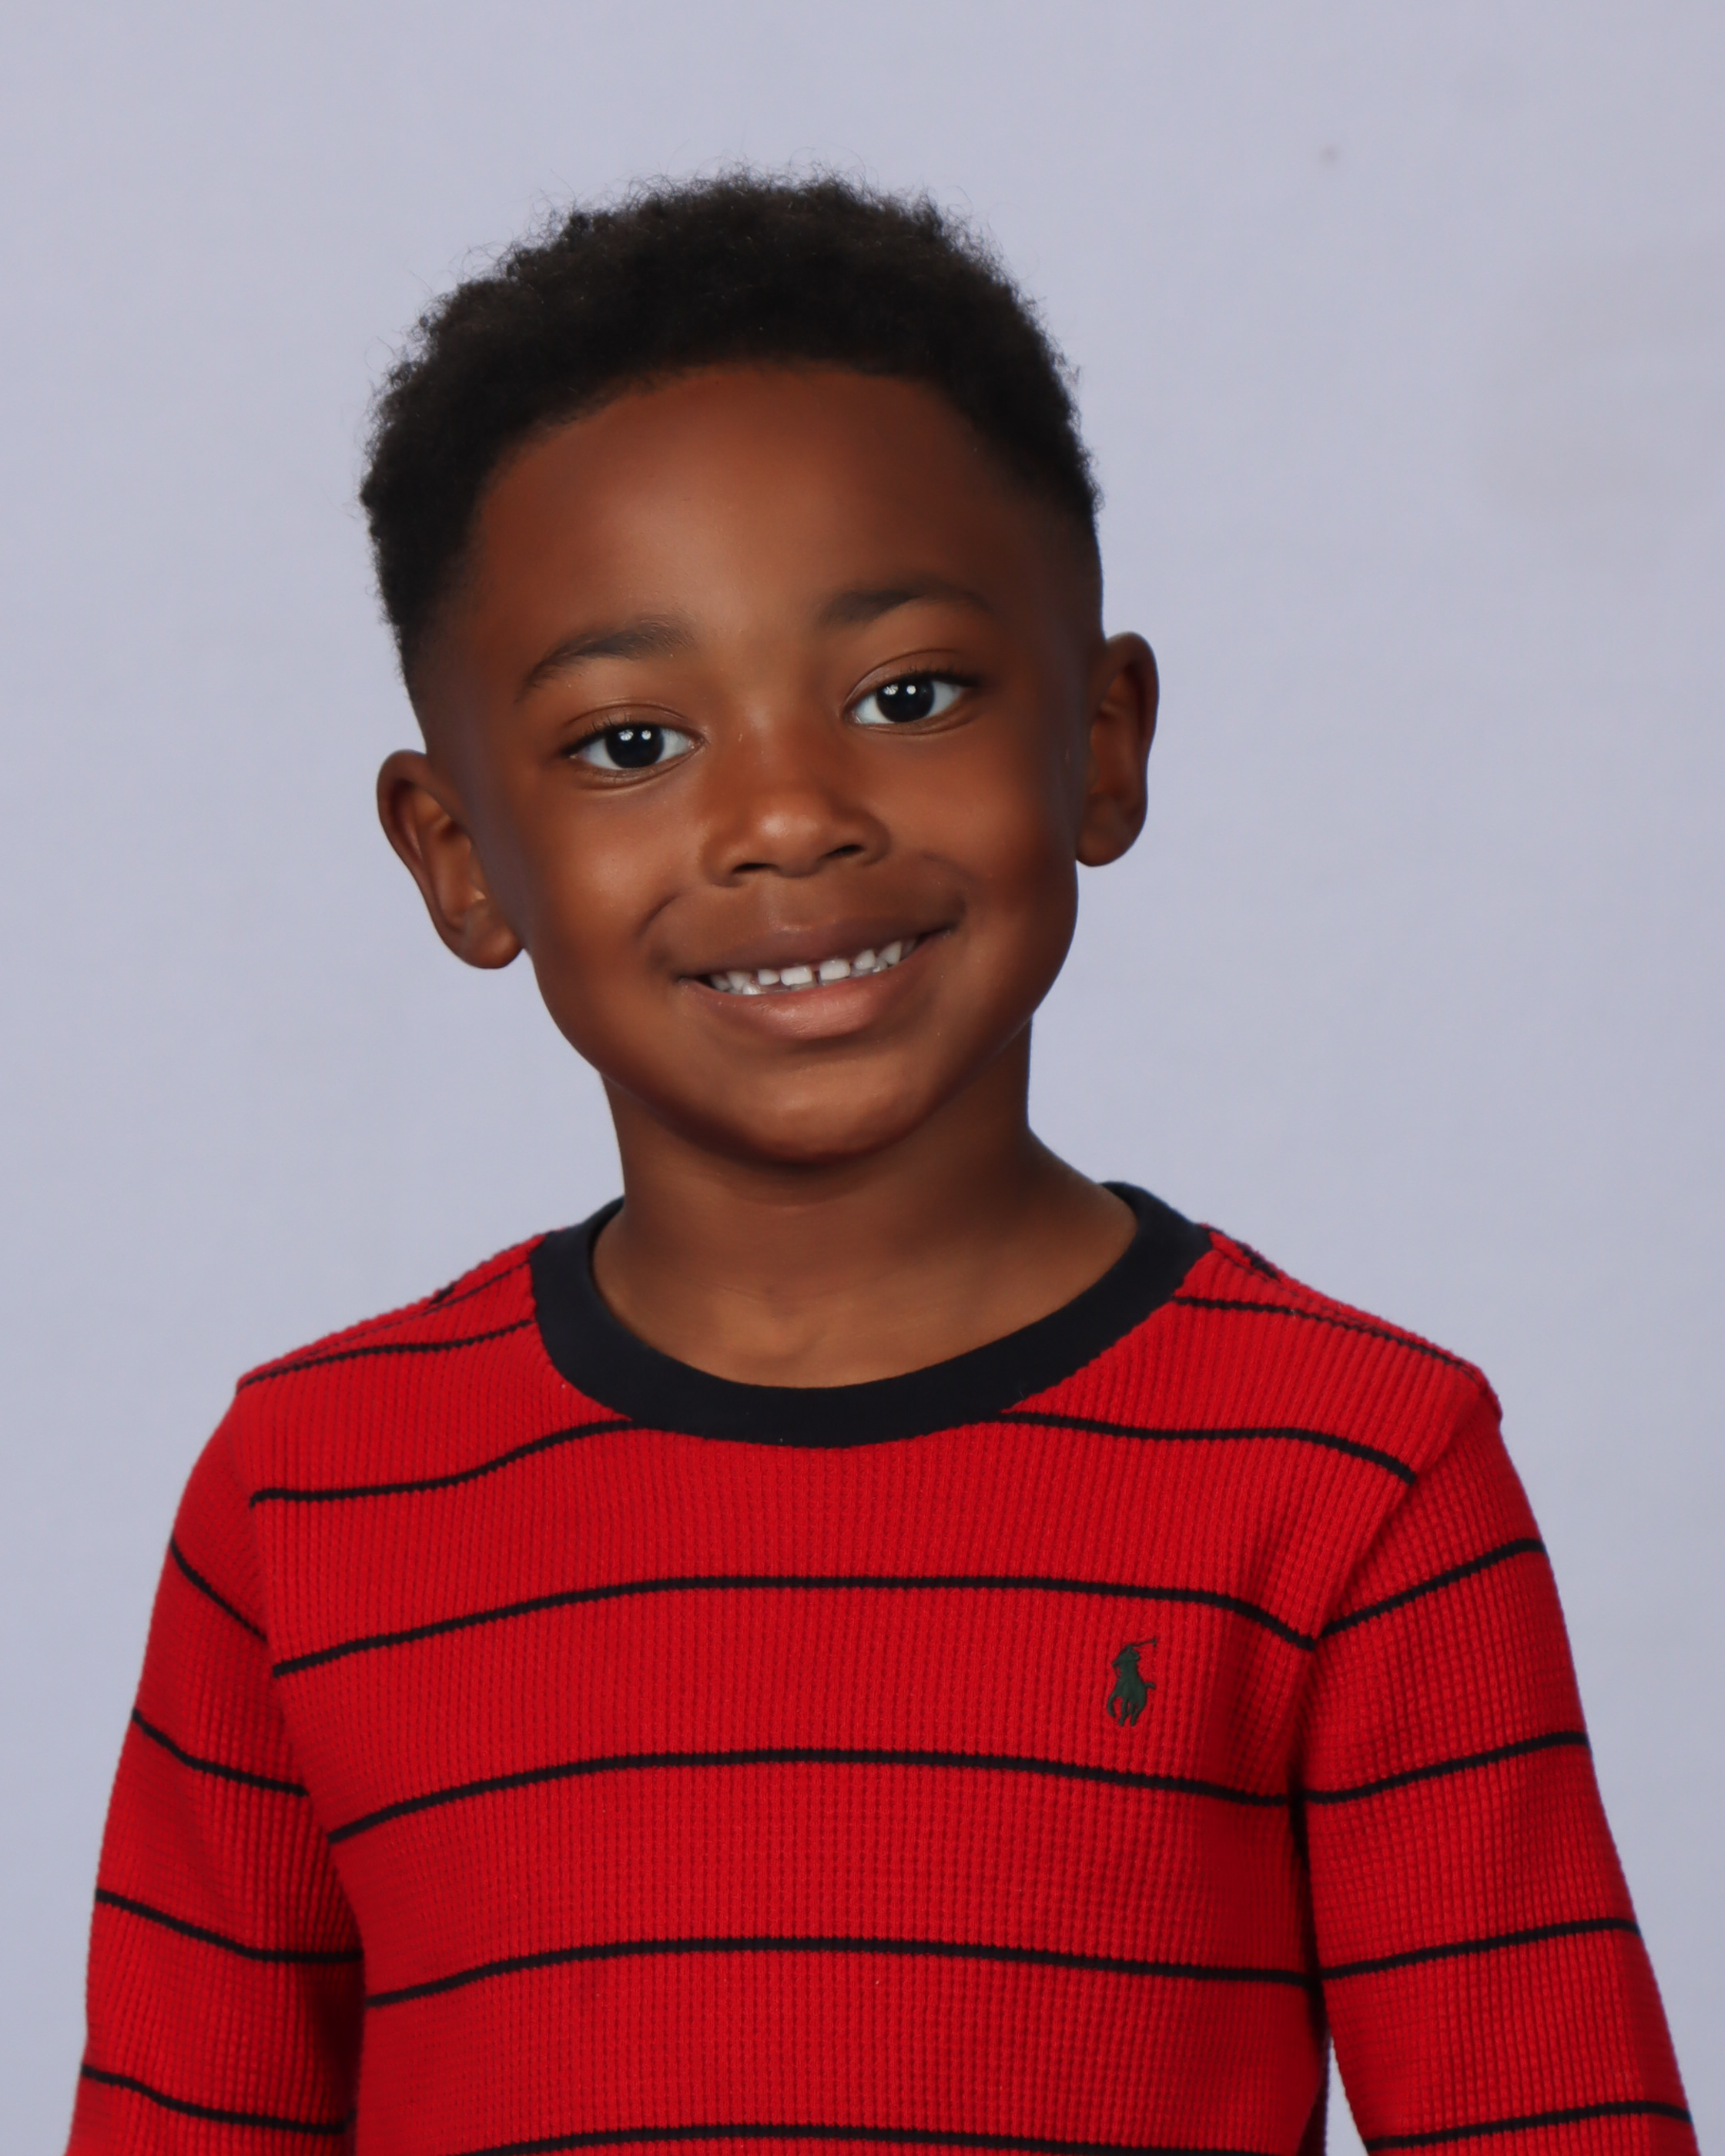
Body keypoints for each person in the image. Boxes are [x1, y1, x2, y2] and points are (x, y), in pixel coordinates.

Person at [67, 174, 1693, 2155]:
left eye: (906, 696)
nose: (786, 816)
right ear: (459, 853)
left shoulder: (1354, 1476)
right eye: (629, 741)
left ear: (1101, 739)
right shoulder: (307, 1495)